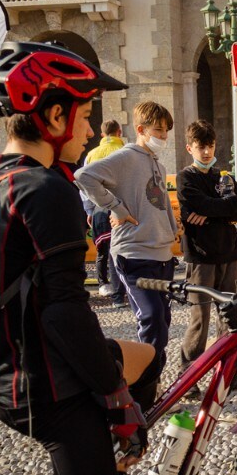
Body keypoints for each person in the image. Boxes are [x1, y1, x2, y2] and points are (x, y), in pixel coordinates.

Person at [0, 40, 152, 475]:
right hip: (50, 385)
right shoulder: (47, 189)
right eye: (85, 111)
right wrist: (117, 402)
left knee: (147, 354)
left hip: (3, 371)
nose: (90, 127)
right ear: (53, 117)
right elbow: (65, 317)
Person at [77, 102, 179, 371]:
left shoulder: (155, 162)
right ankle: (147, 385)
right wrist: (117, 208)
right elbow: (84, 176)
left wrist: (172, 230)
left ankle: (150, 380)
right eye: (158, 130)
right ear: (141, 129)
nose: (164, 137)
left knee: (162, 319)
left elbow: (162, 200)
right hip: (134, 254)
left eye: (166, 131)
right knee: (152, 318)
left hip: (162, 255)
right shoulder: (125, 157)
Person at [176, 119, 237, 387]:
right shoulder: (186, 177)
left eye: (210, 146)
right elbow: (197, 203)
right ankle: (188, 377)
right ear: (189, 148)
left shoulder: (224, 176)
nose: (206, 152)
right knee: (200, 318)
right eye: (200, 146)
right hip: (201, 256)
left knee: (228, 316)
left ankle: (226, 373)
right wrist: (226, 211)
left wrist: (211, 213)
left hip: (230, 253)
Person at [83, 119, 127, 303]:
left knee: (104, 249)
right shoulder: (126, 153)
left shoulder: (92, 154)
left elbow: (83, 186)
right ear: (119, 132)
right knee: (122, 249)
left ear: (102, 134)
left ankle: (104, 284)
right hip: (124, 208)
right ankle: (122, 290)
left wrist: (89, 210)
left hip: (100, 208)